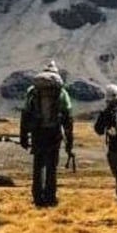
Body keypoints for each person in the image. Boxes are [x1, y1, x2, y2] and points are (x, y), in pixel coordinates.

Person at [19, 60, 74, 207]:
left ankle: (38, 197)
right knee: (52, 166)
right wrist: (70, 142)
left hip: (37, 132)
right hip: (54, 133)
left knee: (38, 165)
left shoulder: (33, 90)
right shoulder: (61, 92)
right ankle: (50, 198)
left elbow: (25, 113)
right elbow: (68, 117)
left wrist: (23, 136)